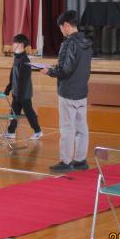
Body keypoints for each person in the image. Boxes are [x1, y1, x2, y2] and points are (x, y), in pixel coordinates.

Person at [40, 10, 92, 172]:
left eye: (61, 28)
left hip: (68, 91)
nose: (61, 31)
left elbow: (65, 69)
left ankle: (66, 161)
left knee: (67, 128)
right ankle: (80, 160)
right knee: (82, 128)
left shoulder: (69, 43)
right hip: (82, 91)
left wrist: (49, 71)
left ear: (67, 25)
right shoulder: (87, 41)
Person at [4, 34, 43, 140]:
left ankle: (38, 131)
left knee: (29, 112)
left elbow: (23, 80)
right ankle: (11, 132)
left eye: (14, 43)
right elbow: (13, 75)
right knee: (13, 112)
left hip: (24, 94)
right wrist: (9, 87)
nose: (12, 45)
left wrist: (20, 95)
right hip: (16, 92)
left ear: (20, 45)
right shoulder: (17, 58)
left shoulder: (25, 60)